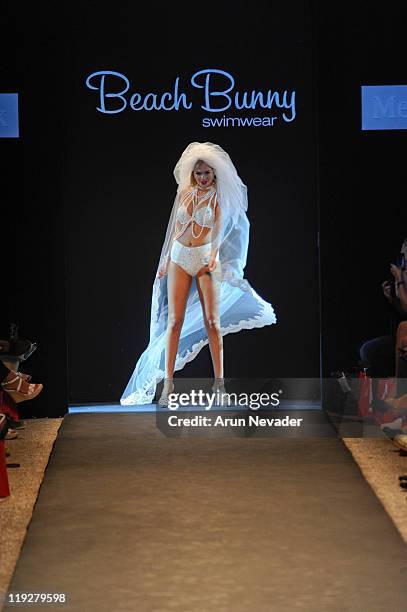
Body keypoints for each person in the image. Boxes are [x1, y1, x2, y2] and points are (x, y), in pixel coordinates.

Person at [121, 142, 277, 406]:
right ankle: (168, 385)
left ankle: (219, 386)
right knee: (174, 321)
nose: (202, 177)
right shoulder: (185, 194)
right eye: (198, 173)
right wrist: (166, 259)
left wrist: (215, 256)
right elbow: (175, 229)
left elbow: (220, 230)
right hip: (180, 257)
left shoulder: (219, 196)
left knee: (212, 322)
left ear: (214, 174)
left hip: (205, 258)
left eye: (206, 173)